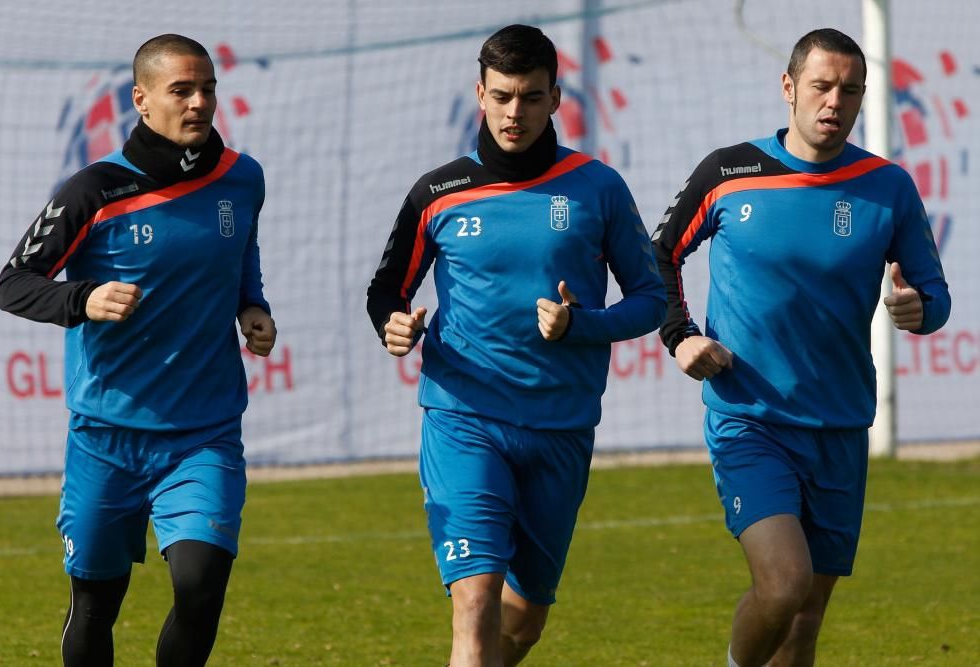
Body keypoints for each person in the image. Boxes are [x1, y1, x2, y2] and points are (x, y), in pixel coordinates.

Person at [367, 23, 666, 667]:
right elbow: (386, 290)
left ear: (556, 98)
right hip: (463, 417)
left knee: (522, 621)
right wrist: (393, 325)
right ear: (479, 94)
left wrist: (579, 325)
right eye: (502, 96)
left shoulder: (598, 187)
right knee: (474, 601)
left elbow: (651, 299)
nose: (514, 113)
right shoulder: (437, 193)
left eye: (530, 97)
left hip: (561, 426)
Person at [651, 28, 950, 667]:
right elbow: (657, 257)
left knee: (805, 621)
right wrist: (681, 336)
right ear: (789, 88)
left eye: (850, 90)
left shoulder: (888, 186)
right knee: (783, 585)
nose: (834, 101)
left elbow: (935, 295)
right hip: (749, 420)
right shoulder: (730, 173)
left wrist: (918, 308)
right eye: (821, 85)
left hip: (839, 426)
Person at [0, 34, 275, 666]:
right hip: (106, 436)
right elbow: (12, 285)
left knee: (200, 585)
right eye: (182, 90)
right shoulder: (93, 190)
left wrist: (251, 306)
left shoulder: (242, 178)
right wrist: (82, 299)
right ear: (141, 100)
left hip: (203, 433)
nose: (199, 102)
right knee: (97, 603)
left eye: (207, 88)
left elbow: (241, 255)